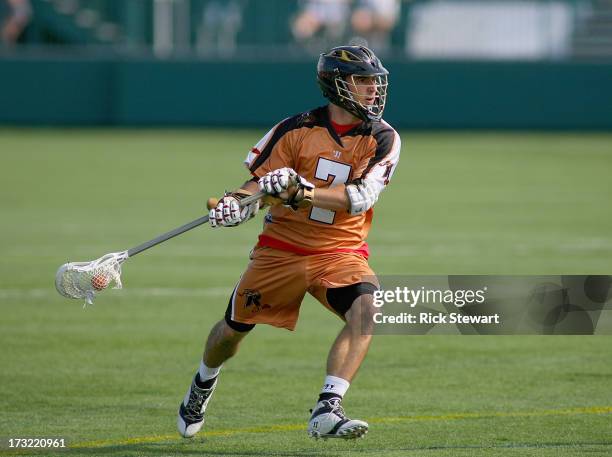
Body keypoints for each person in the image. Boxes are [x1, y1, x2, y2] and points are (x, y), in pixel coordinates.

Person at [177, 45, 401, 440]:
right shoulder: (295, 129)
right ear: (337, 85)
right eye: (362, 81)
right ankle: (202, 383)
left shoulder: (383, 138)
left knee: (366, 310)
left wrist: (301, 191)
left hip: (340, 251)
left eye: (374, 82)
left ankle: (328, 408)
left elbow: (361, 197)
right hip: (281, 250)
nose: (372, 90)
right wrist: (236, 203)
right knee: (230, 335)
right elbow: (258, 183)